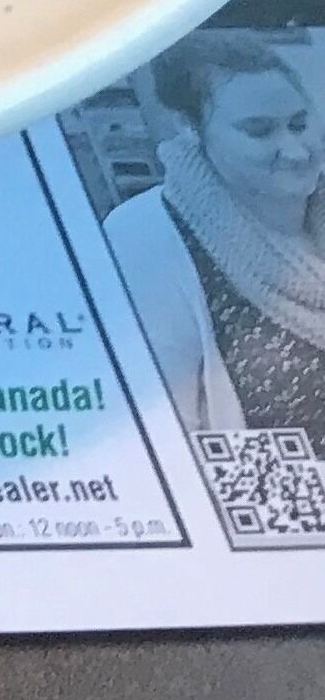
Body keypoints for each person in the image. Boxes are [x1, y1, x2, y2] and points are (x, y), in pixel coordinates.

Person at [103, 31, 325, 440]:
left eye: (299, 124)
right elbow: (164, 434)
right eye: (259, 131)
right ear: (190, 127)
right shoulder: (147, 237)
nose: (294, 150)